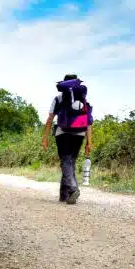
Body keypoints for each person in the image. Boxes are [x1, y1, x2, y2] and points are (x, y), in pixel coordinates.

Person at [43, 74, 93, 204]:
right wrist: (89, 142)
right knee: (70, 162)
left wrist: (45, 137)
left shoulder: (59, 98)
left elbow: (50, 118)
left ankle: (72, 188)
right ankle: (64, 196)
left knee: (65, 161)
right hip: (80, 133)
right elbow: (88, 123)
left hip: (62, 132)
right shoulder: (83, 100)